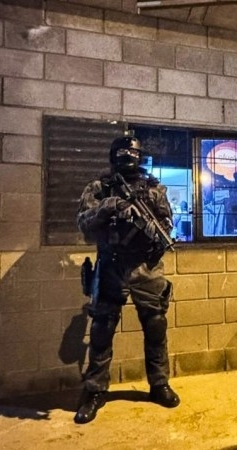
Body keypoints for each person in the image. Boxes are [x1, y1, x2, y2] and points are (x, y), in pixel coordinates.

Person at [74, 135, 180, 424]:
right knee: (102, 329)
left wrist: (154, 234)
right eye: (122, 153)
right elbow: (83, 223)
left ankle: (159, 384)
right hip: (110, 264)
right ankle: (95, 390)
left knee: (156, 325)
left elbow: (166, 222)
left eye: (132, 153)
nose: (128, 158)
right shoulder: (99, 188)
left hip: (146, 267)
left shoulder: (154, 189)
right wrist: (110, 205)